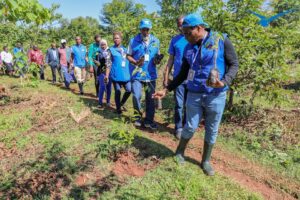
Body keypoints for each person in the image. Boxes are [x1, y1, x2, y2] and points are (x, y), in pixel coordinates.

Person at [153, 14, 239, 176]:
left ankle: (205, 160)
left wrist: (224, 81)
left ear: (199, 28)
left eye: (187, 33)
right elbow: (183, 72)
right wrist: (166, 89)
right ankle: (179, 152)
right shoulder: (188, 47)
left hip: (216, 95)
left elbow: (234, 64)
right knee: (190, 126)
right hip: (194, 93)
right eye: (183, 33)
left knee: (212, 129)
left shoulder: (220, 40)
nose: (185, 37)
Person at [127, 18, 162, 130]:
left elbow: (157, 55)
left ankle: (149, 120)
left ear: (150, 29)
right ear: (140, 29)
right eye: (143, 29)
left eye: (147, 29)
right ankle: (137, 117)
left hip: (150, 74)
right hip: (137, 74)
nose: (145, 31)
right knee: (136, 95)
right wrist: (135, 62)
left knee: (150, 98)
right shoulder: (133, 41)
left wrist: (158, 60)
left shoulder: (156, 41)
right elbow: (128, 55)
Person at [163, 16, 189, 139]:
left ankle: (185, 126)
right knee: (179, 104)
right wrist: (166, 75)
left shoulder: (193, 39)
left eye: (183, 24)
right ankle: (178, 127)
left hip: (192, 79)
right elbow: (171, 59)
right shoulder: (175, 40)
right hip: (178, 77)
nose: (181, 26)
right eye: (179, 24)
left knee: (188, 105)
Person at [105, 31, 131, 114]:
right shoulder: (110, 50)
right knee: (118, 91)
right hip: (115, 74)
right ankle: (118, 109)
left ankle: (121, 103)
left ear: (121, 39)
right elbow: (108, 63)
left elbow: (130, 61)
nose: (116, 39)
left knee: (129, 89)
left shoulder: (126, 50)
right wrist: (106, 75)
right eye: (114, 38)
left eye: (117, 38)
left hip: (126, 74)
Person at [96, 39, 112, 108]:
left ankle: (108, 101)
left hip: (110, 71)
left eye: (104, 44)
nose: (103, 46)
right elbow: (96, 61)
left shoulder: (110, 51)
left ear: (106, 44)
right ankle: (100, 102)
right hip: (101, 71)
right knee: (102, 87)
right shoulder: (98, 52)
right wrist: (97, 63)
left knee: (109, 87)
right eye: (102, 45)